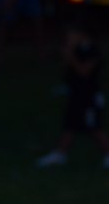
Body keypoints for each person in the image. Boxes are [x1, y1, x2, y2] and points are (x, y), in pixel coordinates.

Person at [36, 20, 109, 168]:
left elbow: (84, 71)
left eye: (72, 34)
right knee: (70, 124)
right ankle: (60, 153)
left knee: (94, 127)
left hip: (89, 95)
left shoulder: (92, 50)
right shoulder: (77, 49)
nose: (69, 37)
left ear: (82, 34)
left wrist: (70, 56)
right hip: (76, 94)